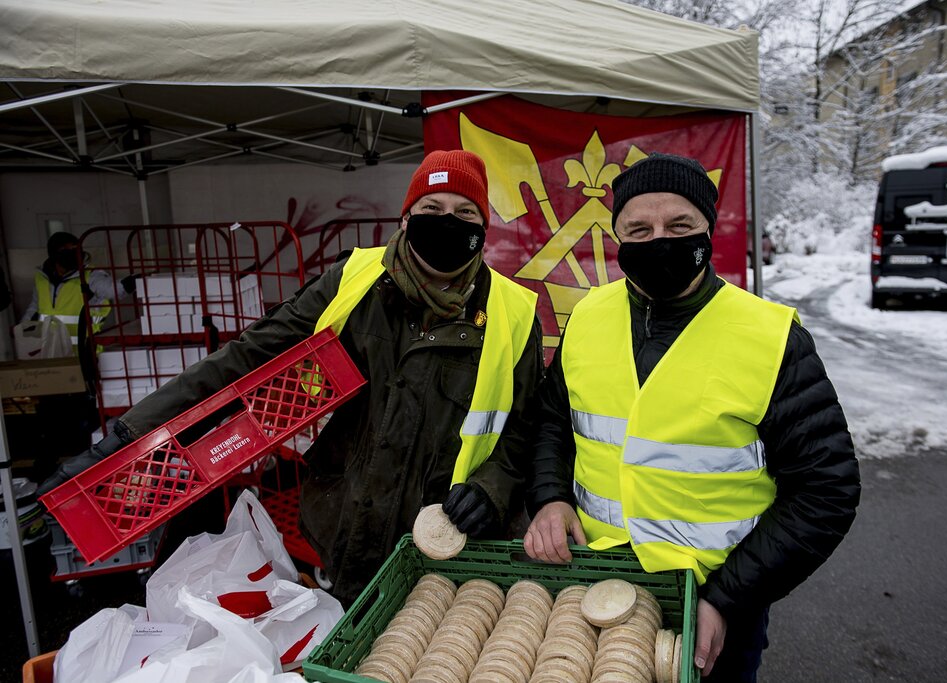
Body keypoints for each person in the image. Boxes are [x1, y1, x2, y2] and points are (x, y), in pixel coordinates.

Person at [38, 150, 544, 606]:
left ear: (484, 229)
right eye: (431, 210)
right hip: (343, 528)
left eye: (464, 214)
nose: (446, 224)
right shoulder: (353, 281)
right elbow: (246, 357)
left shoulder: (513, 313)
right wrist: (126, 435)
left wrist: (490, 489)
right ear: (406, 218)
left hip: (443, 543)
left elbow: (522, 429)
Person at [523, 153, 860, 681]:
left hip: (715, 600)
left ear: (709, 229)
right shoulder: (587, 316)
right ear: (618, 239)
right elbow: (552, 421)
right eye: (640, 228)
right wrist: (550, 497)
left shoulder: (771, 338)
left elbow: (826, 490)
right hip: (592, 580)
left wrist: (728, 597)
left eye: (680, 225)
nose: (660, 239)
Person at [22, 231, 136, 348]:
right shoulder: (42, 278)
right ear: (54, 255)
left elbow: (112, 289)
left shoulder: (90, 275)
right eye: (66, 250)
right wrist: (23, 329)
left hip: (85, 351)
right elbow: (34, 308)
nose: (72, 253)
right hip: (50, 351)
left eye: (75, 248)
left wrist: (137, 281)